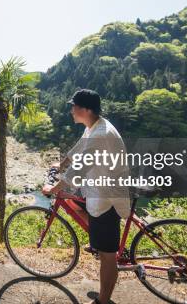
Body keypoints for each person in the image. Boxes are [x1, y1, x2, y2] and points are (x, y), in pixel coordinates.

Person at [42, 89, 130, 304]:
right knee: (76, 201)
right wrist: (60, 164)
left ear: (86, 109)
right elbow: (78, 149)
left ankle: (103, 300)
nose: (71, 110)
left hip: (107, 198)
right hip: (97, 189)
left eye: (74, 106)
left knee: (108, 258)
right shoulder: (94, 126)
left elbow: (79, 169)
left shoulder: (101, 135)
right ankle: (97, 242)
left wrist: (53, 189)